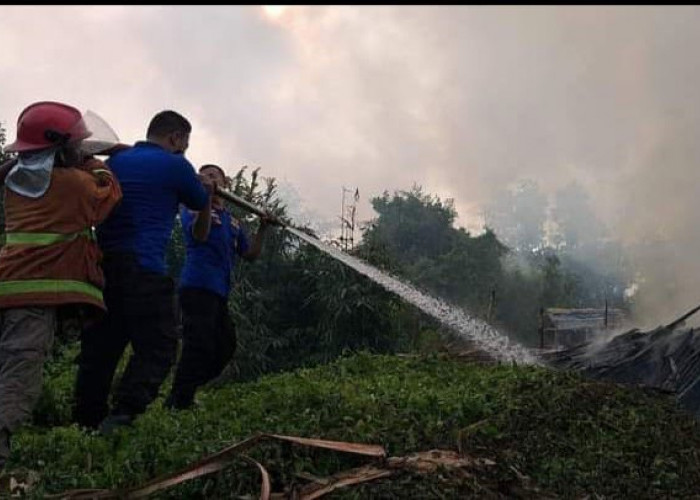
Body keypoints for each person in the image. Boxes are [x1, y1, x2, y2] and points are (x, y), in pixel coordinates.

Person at [73, 110, 214, 433]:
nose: (184, 150)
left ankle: (85, 421)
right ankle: (123, 414)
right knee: (160, 345)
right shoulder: (177, 165)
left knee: (102, 347)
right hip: (144, 267)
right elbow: (198, 204)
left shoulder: (115, 163)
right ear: (176, 138)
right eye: (185, 144)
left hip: (104, 267)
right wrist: (206, 190)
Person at [0, 101, 122, 470]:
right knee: (18, 378)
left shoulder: (14, 180)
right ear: (61, 148)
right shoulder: (72, 184)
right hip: (31, 297)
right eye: (77, 143)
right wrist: (95, 160)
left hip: (8, 285)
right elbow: (108, 193)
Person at [165, 164, 270, 410]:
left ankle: (182, 391)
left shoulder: (233, 221)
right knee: (198, 345)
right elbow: (200, 235)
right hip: (197, 286)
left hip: (219, 291)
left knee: (226, 346)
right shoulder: (191, 207)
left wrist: (263, 227)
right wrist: (205, 200)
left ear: (225, 184)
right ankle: (179, 400)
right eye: (206, 176)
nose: (210, 178)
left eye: (215, 176)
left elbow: (250, 254)